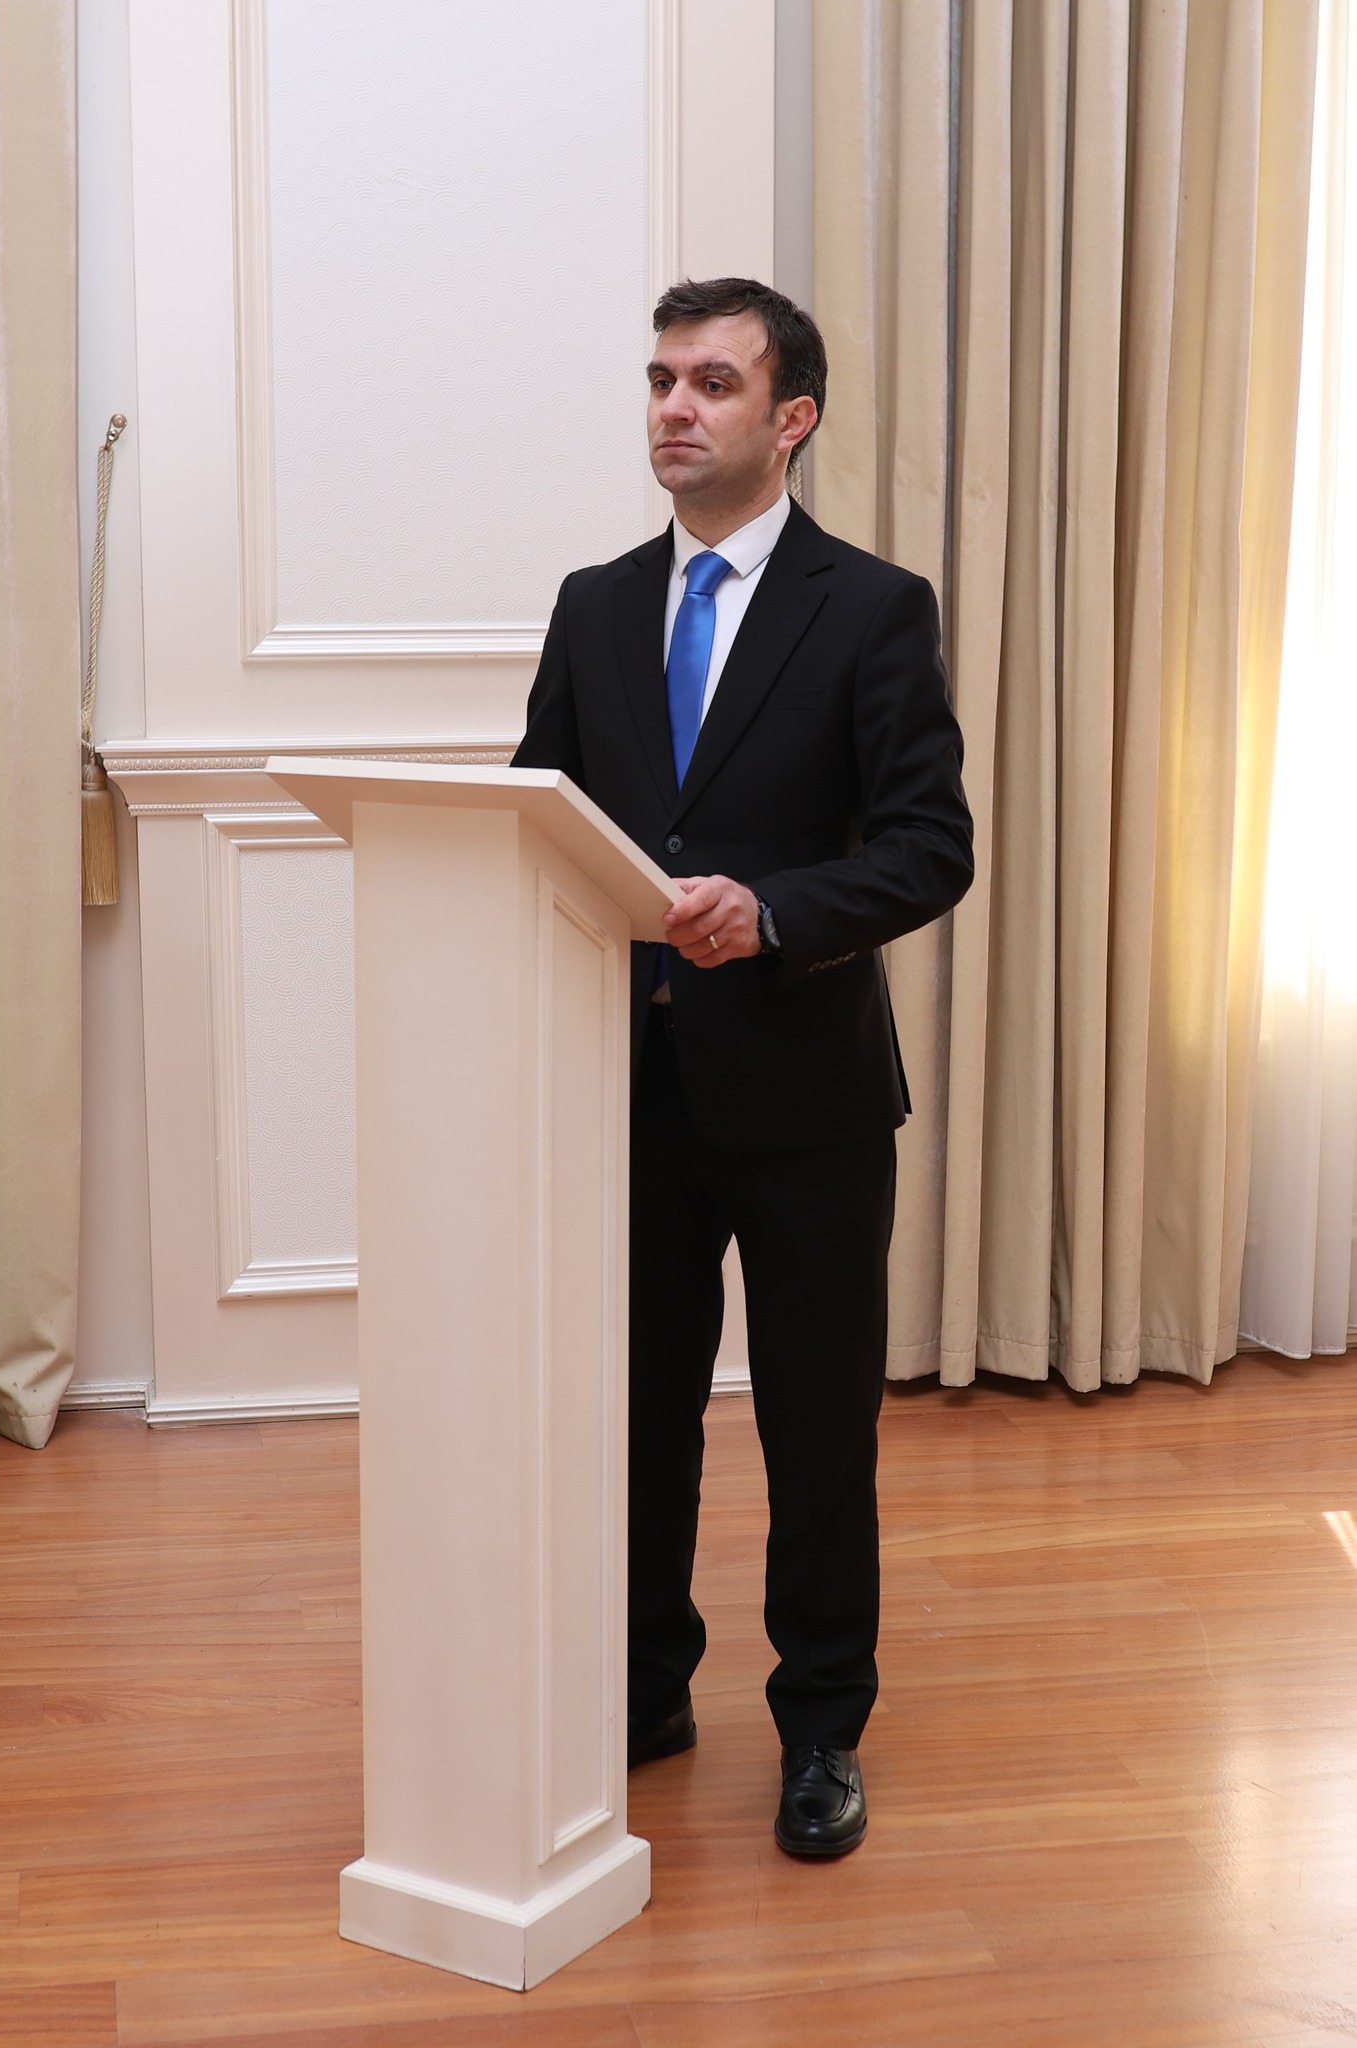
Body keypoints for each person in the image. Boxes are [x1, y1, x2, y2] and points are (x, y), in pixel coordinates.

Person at [513, 277, 973, 1858]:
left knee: (815, 1430)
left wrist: (772, 913)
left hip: (809, 1103)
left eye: (711, 382)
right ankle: (646, 1692)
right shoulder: (590, 605)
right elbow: (541, 816)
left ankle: (822, 1727)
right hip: (625, 1093)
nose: (672, 407)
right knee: (636, 1416)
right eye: (659, 378)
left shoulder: (872, 608)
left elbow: (928, 848)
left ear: (792, 419)